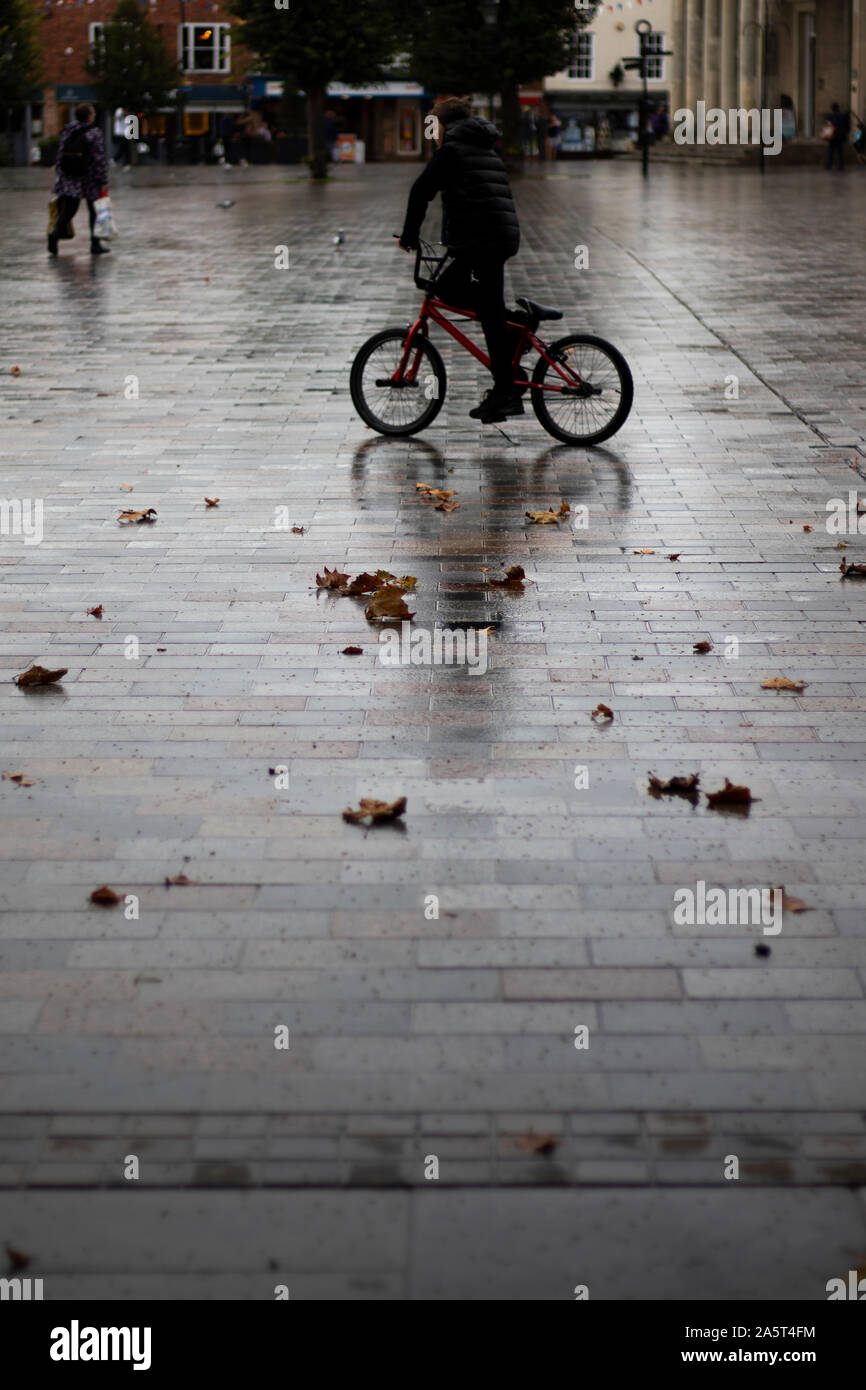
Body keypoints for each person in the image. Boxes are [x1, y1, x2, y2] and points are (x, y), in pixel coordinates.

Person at [399, 95, 522, 425]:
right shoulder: (483, 145)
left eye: (434, 126)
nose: (434, 133)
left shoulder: (452, 150)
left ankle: (507, 389)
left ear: (443, 124)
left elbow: (421, 190)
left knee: (451, 292)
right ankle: (512, 342)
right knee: (487, 308)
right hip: (494, 236)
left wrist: (409, 237)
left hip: (482, 239)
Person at [48, 103, 110, 257]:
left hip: (70, 176)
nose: (94, 115)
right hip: (89, 176)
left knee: (69, 209)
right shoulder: (94, 133)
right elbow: (99, 158)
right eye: (93, 113)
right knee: (93, 210)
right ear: (88, 116)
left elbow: (60, 153)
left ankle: (54, 235)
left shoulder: (68, 130)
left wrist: (60, 174)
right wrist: (103, 179)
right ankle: (95, 243)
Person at [826, 102, 850, 170]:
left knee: (831, 151)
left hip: (833, 135)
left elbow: (829, 124)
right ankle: (841, 165)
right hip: (840, 136)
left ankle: (829, 165)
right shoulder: (842, 115)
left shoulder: (831, 115)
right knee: (840, 152)